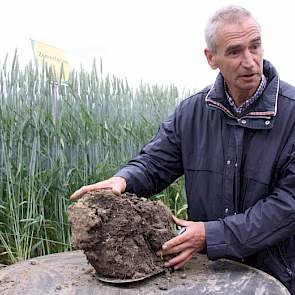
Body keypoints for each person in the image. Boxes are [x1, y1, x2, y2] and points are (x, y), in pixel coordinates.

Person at [70, 5, 295, 293]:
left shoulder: (290, 114)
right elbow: (154, 163)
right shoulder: (192, 113)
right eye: (235, 51)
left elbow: (288, 206)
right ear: (211, 58)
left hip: (277, 276)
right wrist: (124, 179)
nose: (250, 62)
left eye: (255, 46)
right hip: (208, 275)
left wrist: (211, 235)